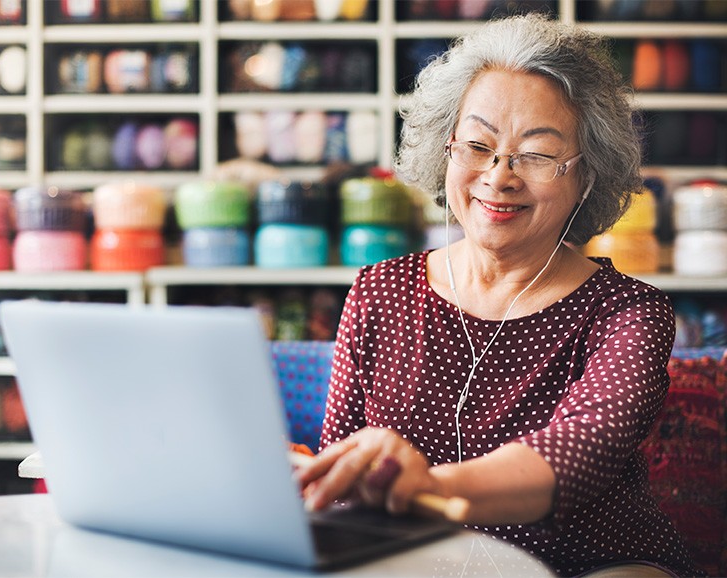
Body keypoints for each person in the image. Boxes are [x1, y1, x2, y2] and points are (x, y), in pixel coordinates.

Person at [296, 13, 703, 578]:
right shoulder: (379, 289)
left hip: (587, 563)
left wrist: (431, 485)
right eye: (478, 144)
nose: (499, 175)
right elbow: (342, 469)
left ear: (586, 176)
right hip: (420, 562)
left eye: (536, 154)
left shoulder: (629, 313)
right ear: (446, 148)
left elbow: (578, 452)